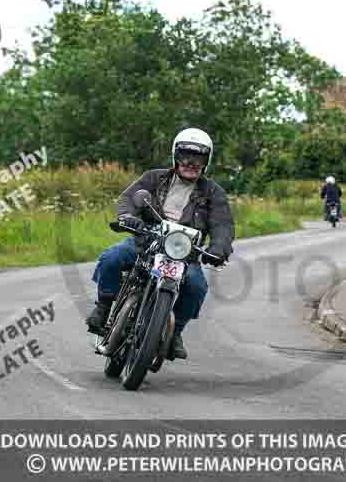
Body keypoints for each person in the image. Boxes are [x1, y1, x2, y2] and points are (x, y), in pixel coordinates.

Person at [86, 127, 235, 359]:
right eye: (186, 156)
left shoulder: (214, 193)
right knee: (111, 257)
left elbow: (223, 225)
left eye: (198, 158)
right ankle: (103, 307)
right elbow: (128, 198)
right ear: (176, 156)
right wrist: (129, 217)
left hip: (185, 252)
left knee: (196, 286)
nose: (191, 163)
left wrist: (218, 248)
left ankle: (175, 332)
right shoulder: (154, 178)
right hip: (147, 240)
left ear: (207, 161)